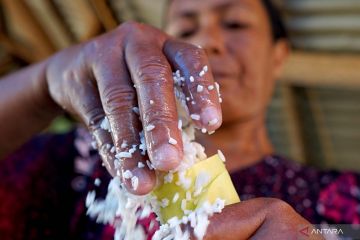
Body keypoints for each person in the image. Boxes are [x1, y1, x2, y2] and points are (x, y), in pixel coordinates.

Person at [0, 0, 358, 239]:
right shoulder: (88, 166)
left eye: (235, 23)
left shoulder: (343, 196)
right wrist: (44, 82)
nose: (207, 40)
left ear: (279, 56)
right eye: (185, 32)